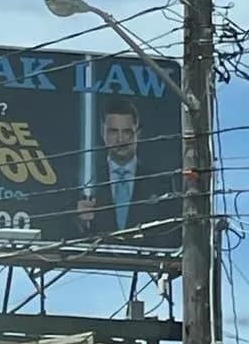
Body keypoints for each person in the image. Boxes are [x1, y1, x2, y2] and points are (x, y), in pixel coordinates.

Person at [76, 99, 180, 246]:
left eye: (127, 132)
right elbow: (64, 233)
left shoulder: (160, 184)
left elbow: (170, 235)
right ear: (103, 133)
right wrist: (82, 222)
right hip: (96, 259)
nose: (120, 139)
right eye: (113, 131)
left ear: (138, 134)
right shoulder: (86, 183)